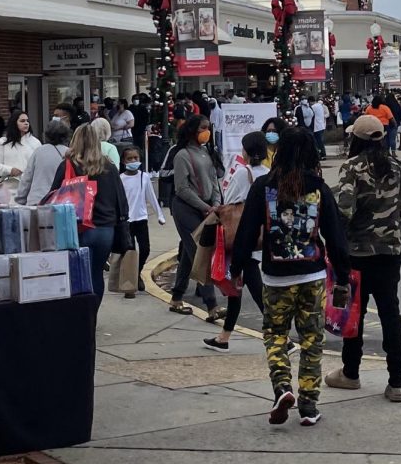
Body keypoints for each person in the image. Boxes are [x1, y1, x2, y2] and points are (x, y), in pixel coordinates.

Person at [231, 126, 351, 426]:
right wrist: (343, 276)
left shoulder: (263, 186)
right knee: (312, 339)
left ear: (279, 151)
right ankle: (309, 406)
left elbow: (246, 232)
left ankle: (282, 387)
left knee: (275, 334)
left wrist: (238, 268)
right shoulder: (320, 189)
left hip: (275, 277)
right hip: (312, 275)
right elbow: (335, 237)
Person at [326, 115, 401, 402]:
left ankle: (351, 373)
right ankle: (397, 381)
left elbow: (344, 211)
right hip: (390, 252)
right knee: (391, 313)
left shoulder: (352, 168)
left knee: (355, 314)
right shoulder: (397, 168)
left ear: (357, 140)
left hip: (358, 254)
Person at [204, 131, 289, 353]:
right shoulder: (270, 174)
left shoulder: (243, 174)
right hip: (261, 237)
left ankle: (283, 339)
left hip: (242, 238)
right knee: (236, 289)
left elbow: (229, 204)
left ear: (246, 151)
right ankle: (224, 338)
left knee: (254, 290)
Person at [50, 124, 127, 305]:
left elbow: (54, 195)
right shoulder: (108, 166)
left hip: (77, 228)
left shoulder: (68, 165)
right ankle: (92, 316)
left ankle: (79, 316)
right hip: (105, 229)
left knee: (76, 273)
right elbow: (121, 199)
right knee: (96, 274)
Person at [168, 115, 225, 321]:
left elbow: (214, 181)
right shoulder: (181, 155)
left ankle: (176, 297)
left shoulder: (206, 152)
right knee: (201, 253)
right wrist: (206, 207)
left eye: (208, 128)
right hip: (186, 209)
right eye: (202, 128)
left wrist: (216, 205)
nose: (206, 132)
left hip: (206, 208)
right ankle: (212, 306)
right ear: (193, 130)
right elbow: (182, 189)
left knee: (188, 253)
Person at [119, 145, 165, 293]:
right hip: (127, 221)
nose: (133, 160)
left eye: (136, 158)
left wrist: (160, 214)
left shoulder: (144, 177)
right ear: (123, 161)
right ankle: (131, 282)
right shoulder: (120, 179)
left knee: (145, 249)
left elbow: (151, 196)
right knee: (130, 251)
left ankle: (136, 273)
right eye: (129, 158)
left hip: (141, 219)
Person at [0, 110, 41, 197]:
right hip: (8, 187)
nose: (26, 123)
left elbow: (40, 166)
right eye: (22, 121)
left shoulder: (36, 143)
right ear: (14, 123)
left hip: (30, 189)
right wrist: (10, 170)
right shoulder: (2, 142)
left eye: (27, 121)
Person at [16, 120, 71, 205]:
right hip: (61, 203)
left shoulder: (39, 151)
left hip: (37, 201)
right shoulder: (70, 154)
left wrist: (20, 200)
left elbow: (27, 179)